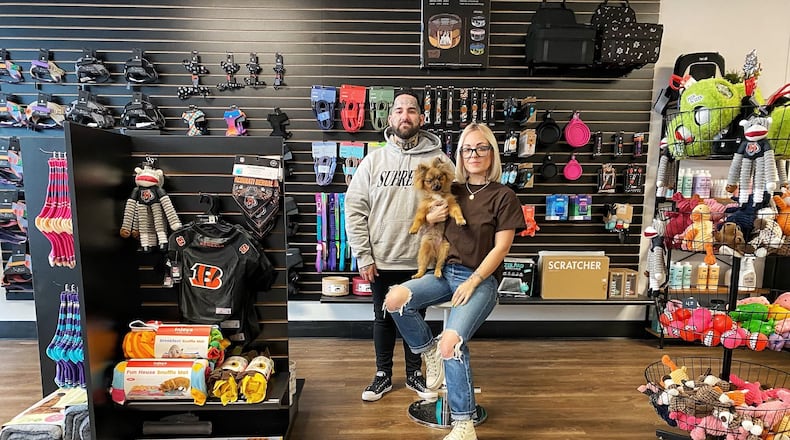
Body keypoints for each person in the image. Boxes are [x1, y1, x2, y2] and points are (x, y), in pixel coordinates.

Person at [384, 123, 525, 440]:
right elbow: (426, 229)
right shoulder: (450, 190)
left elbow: (501, 248)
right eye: (467, 149)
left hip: (482, 281)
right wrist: (427, 221)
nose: (474, 155)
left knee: (452, 343)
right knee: (394, 300)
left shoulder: (504, 196)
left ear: (491, 152)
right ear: (460, 155)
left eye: (481, 148)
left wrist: (474, 281)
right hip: (443, 274)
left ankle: (464, 424)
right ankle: (427, 350)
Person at [345, 89, 450, 402]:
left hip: (421, 261)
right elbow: (354, 208)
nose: (406, 115)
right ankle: (383, 375)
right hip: (383, 257)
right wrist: (363, 255)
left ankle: (415, 374)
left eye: (412, 110)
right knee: (383, 318)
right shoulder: (374, 161)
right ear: (391, 118)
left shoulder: (439, 160)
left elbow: (455, 204)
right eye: (399, 110)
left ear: (421, 117)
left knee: (414, 316)